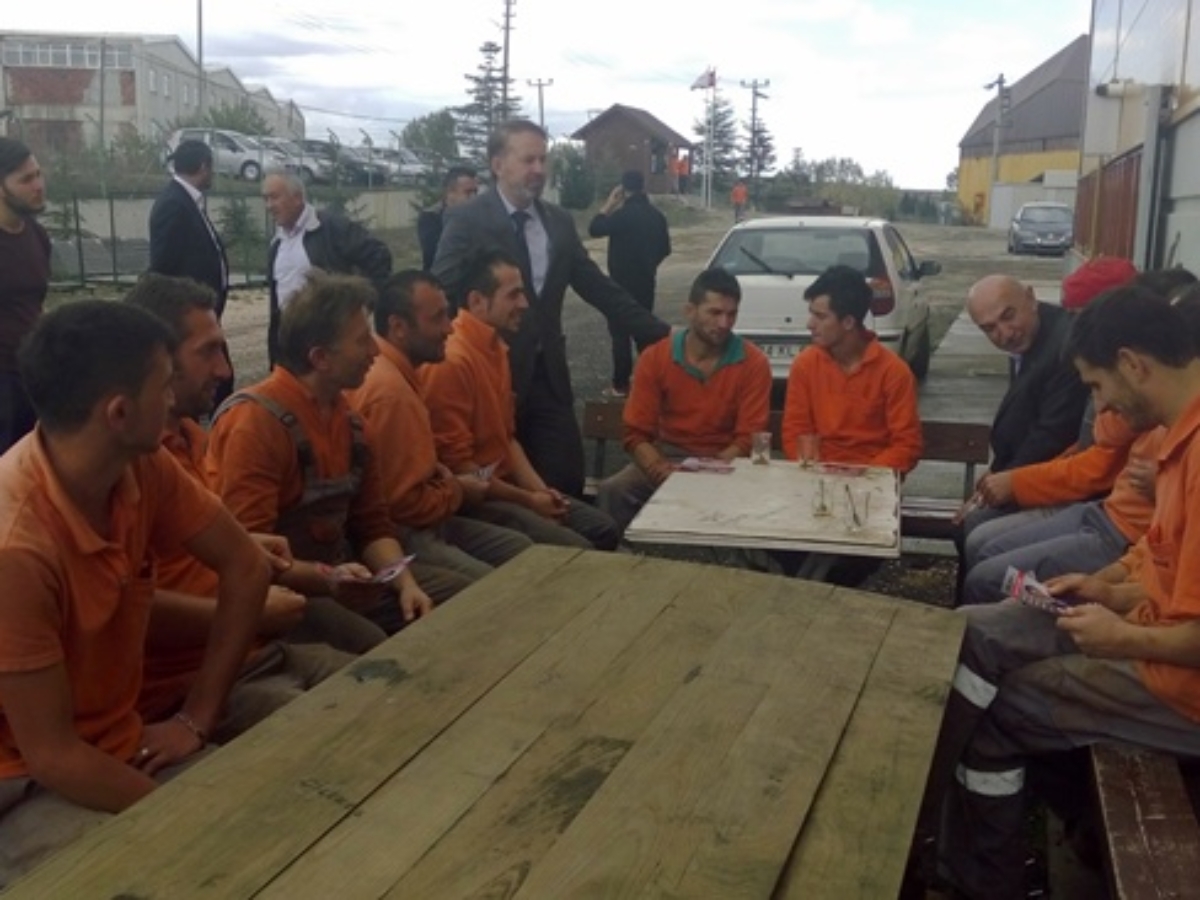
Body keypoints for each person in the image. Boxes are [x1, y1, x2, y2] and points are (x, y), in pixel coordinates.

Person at [915, 286, 1200, 900]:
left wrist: (1121, 637)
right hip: (1148, 631)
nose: (1101, 407)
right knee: (975, 626)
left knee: (1003, 709)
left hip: (1180, 688)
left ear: (1132, 364)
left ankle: (974, 875)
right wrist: (1108, 586)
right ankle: (921, 797)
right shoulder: (1179, 433)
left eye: (1096, 387)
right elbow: (1161, 556)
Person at [0, 301, 270, 884]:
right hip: (24, 781)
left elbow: (246, 566)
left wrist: (197, 718)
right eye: (165, 385)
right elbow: (51, 755)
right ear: (119, 412)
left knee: (266, 822)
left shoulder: (139, 467)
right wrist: (181, 819)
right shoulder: (16, 546)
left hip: (120, 741)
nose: (174, 399)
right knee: (181, 867)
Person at [123, 274, 370, 743]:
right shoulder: (131, 463)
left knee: (389, 682)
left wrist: (267, 559)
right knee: (350, 726)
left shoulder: (191, 440)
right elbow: (126, 606)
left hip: (250, 649)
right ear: (157, 361)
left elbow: (226, 550)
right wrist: (253, 609)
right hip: (186, 681)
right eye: (208, 352)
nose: (224, 369)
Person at [432, 119, 670, 498]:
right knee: (506, 491)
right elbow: (439, 292)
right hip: (489, 378)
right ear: (497, 164)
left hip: (548, 378)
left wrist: (660, 332)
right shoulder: (467, 220)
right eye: (528, 160)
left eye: (543, 160)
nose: (539, 169)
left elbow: (598, 287)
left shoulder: (558, 222)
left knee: (566, 483)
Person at [206, 272, 446, 634]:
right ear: (320, 358)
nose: (375, 351)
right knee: (368, 641)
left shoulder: (352, 423)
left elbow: (372, 526)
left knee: (451, 599)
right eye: (362, 341)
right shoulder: (256, 424)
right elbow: (250, 555)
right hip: (278, 594)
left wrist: (405, 585)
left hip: (339, 576)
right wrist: (329, 579)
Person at [421, 250, 620, 550]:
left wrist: (542, 494)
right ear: (477, 301)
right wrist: (529, 500)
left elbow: (507, 439)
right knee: (578, 548)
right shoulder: (452, 361)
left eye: (523, 293)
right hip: (476, 499)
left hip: (504, 487)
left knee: (603, 528)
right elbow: (462, 467)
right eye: (513, 295)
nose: (525, 304)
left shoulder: (496, 347)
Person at [346, 269, 533, 581]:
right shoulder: (392, 393)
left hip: (434, 510)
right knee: (491, 584)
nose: (449, 328)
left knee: (523, 549)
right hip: (402, 533)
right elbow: (402, 507)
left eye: (448, 314)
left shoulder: (403, 374)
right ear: (398, 327)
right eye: (438, 318)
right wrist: (457, 489)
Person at [597, 267, 770, 533]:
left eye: (731, 314)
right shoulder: (656, 358)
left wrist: (709, 470)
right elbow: (635, 433)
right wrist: (658, 467)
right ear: (690, 311)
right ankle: (616, 556)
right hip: (669, 456)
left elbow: (748, 439)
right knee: (614, 490)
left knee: (768, 505)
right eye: (715, 313)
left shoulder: (753, 362)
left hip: (727, 463)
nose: (724, 323)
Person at [957, 275, 1089, 535]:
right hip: (1030, 472)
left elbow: (1051, 435)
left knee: (975, 528)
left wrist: (1003, 481)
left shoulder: (1064, 347)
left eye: (1008, 316)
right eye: (989, 329)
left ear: (1031, 298)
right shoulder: (1035, 336)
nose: (1005, 334)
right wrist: (996, 474)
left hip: (1058, 482)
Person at [781, 265, 923, 473]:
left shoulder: (894, 372)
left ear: (848, 322)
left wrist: (865, 475)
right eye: (812, 314)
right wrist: (817, 472)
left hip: (873, 480)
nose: (810, 324)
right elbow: (795, 432)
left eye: (821, 317)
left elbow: (906, 445)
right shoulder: (806, 365)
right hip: (817, 476)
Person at [262, 171, 392, 368]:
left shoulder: (332, 228)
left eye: (274, 197)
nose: (269, 205)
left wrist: (363, 305)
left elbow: (378, 256)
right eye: (266, 199)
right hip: (291, 343)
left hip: (328, 341)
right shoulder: (277, 243)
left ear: (297, 198)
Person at [588, 170, 672, 398]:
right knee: (646, 333)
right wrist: (650, 264)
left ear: (623, 189)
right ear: (643, 187)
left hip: (620, 284)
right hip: (646, 282)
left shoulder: (622, 215)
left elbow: (594, 229)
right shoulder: (657, 216)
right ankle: (651, 384)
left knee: (620, 335)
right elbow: (666, 249)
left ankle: (620, 385)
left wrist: (609, 205)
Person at [0, 138, 49, 454]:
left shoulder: (37, 235)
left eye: (38, 174)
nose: (38, 186)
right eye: (26, 179)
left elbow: (35, 305)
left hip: (31, 373)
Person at [416, 166, 479, 271]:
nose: (474, 198)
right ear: (450, 192)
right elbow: (433, 253)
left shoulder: (478, 215)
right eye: (468, 192)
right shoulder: (430, 217)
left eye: (475, 192)